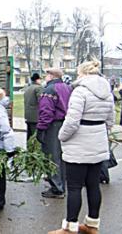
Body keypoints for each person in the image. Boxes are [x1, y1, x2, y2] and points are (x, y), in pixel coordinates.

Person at [48, 61, 115, 234]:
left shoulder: (80, 92)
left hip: (79, 144)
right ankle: (92, 225)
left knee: (75, 187)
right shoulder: (107, 92)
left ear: (82, 73)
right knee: (93, 185)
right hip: (98, 141)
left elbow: (72, 122)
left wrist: (61, 136)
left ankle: (70, 227)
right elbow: (110, 121)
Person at [37, 68, 72, 199]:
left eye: (46, 74)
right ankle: (62, 184)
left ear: (51, 76)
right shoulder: (67, 87)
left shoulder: (49, 90)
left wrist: (41, 128)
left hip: (53, 125)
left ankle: (57, 188)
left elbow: (46, 111)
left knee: (52, 156)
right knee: (62, 157)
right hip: (65, 123)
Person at [24, 73, 43, 141]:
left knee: (29, 135)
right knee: (35, 136)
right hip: (36, 116)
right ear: (37, 80)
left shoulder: (28, 88)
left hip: (28, 115)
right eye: (40, 79)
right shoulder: (38, 88)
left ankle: (29, 149)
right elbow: (41, 101)